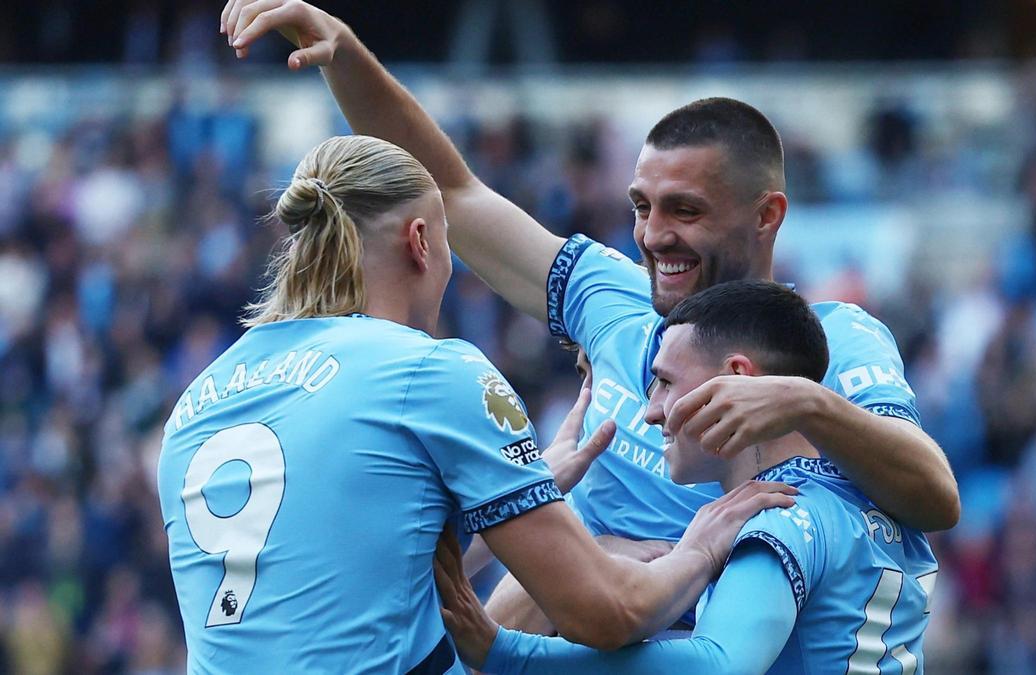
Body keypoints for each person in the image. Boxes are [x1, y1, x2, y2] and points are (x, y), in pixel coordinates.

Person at [223, 0, 958, 629]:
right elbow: (454, 190)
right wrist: (345, 56)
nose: (652, 234)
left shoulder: (834, 339)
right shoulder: (610, 296)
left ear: (767, 216)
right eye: (642, 206)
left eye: (685, 210)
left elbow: (934, 494)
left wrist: (805, 401)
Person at [156, 135, 798, 673]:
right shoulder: (432, 369)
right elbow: (606, 612)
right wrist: (700, 548)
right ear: (420, 242)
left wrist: (524, 488)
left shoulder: (199, 399)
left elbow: (352, 580)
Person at [435, 280, 940, 674]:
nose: (651, 411)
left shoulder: (781, 513)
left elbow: (719, 662)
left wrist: (505, 652)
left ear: (737, 381)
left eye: (665, 382)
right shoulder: (864, 489)